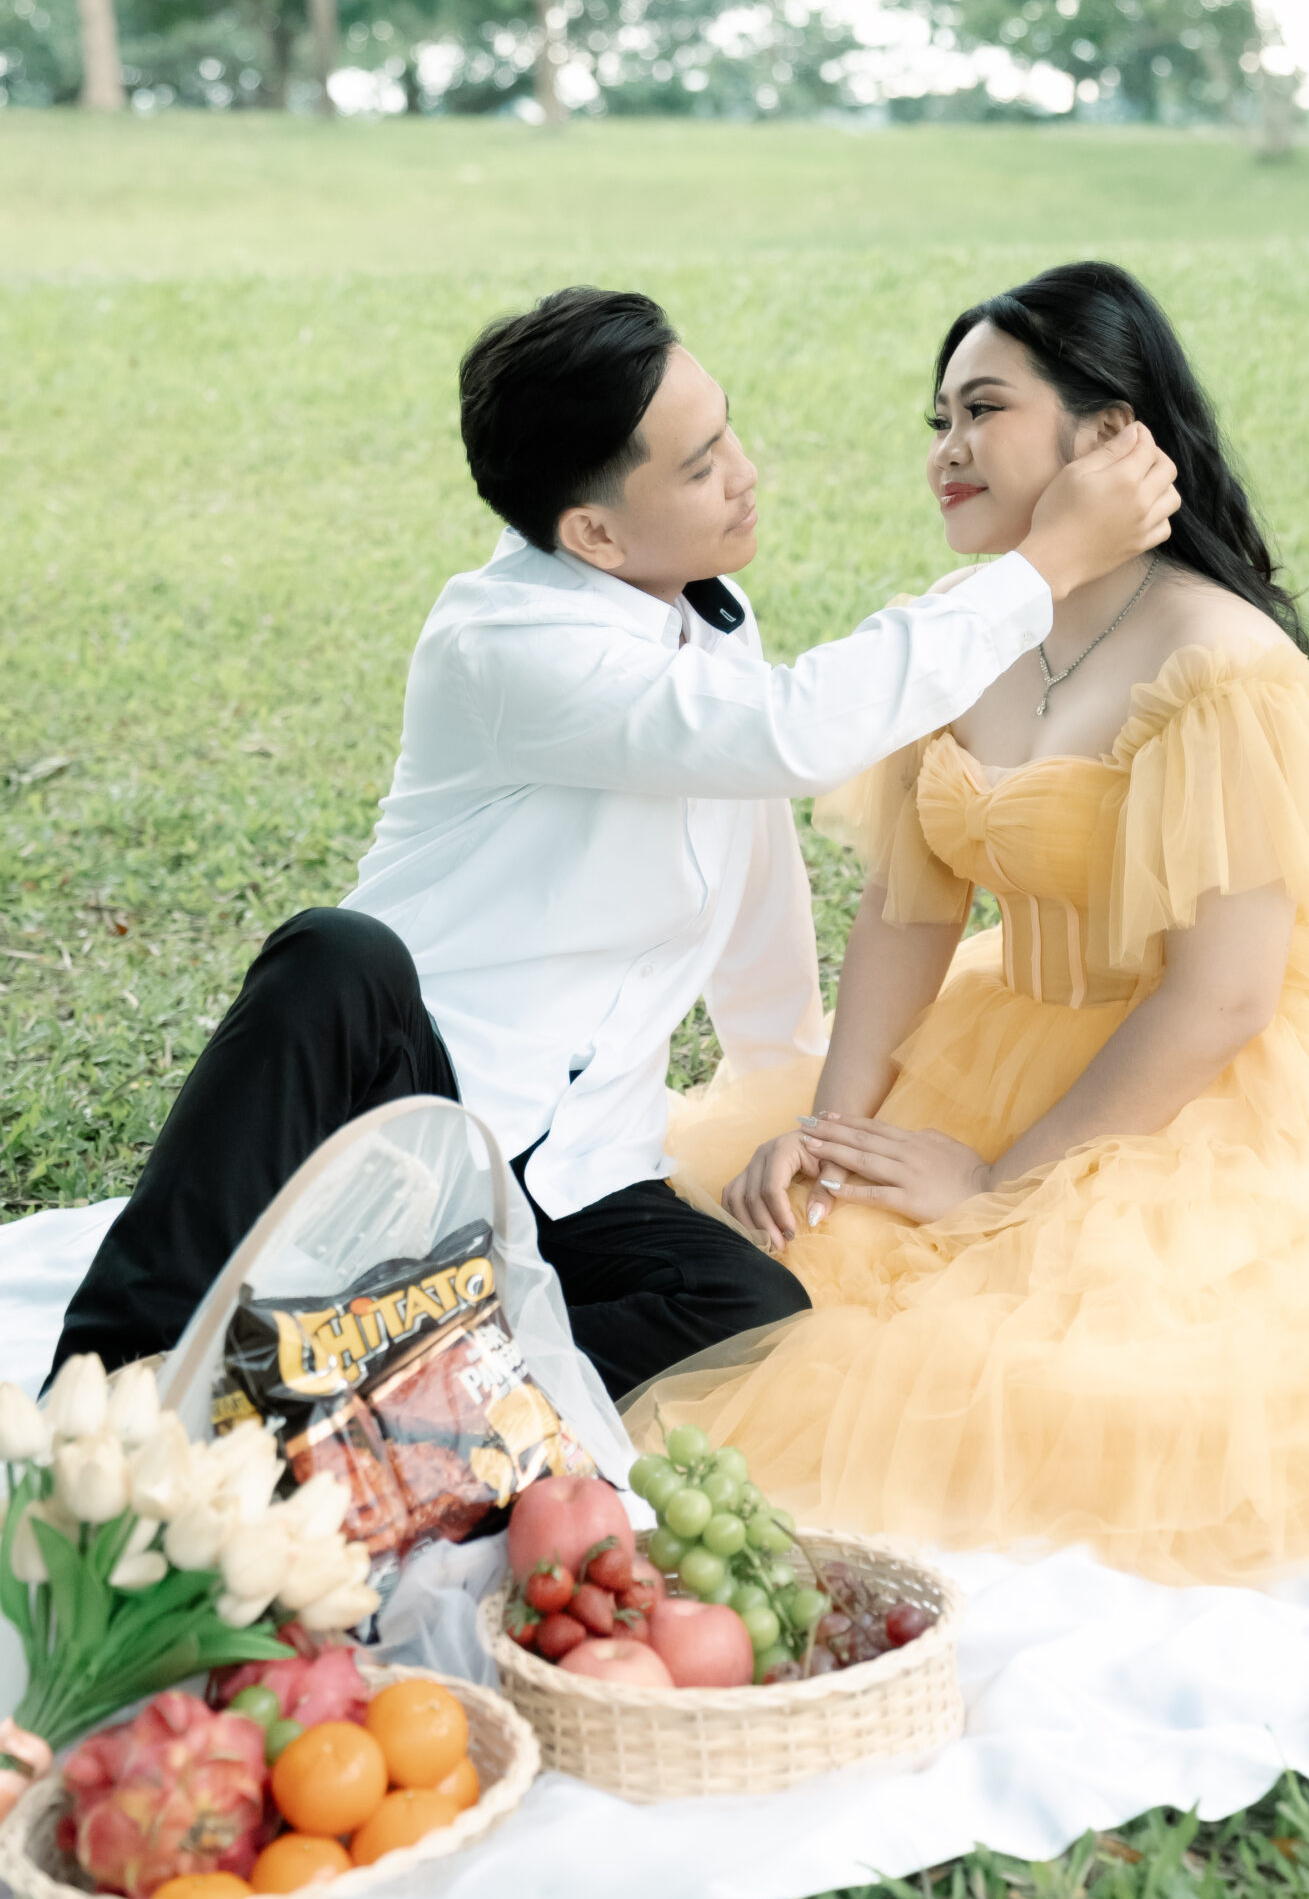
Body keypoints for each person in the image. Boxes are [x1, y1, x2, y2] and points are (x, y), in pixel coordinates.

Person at [635, 259, 1309, 1585]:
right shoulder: (962, 634)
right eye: (939, 419)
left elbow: (1221, 997)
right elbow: (908, 917)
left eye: (984, 411)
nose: (946, 449)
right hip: (1005, 1032)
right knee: (787, 1259)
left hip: (1210, 1081)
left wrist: (1003, 1180)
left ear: (1108, 436)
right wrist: (831, 1129)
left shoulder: (1221, 664)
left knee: (1097, 1375)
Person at [53, 285, 1179, 1400]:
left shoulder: (705, 610)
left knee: (752, 1310)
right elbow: (789, 736)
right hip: (406, 1102)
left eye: (727, 430)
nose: (744, 471)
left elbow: (755, 865)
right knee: (336, 953)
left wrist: (796, 1100)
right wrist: (1043, 566)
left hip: (578, 1167)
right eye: (699, 465)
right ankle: (114, 1379)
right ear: (591, 533)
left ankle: (346, 1391)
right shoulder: (505, 642)